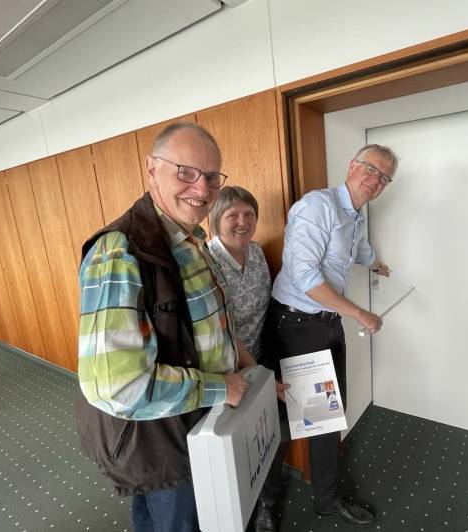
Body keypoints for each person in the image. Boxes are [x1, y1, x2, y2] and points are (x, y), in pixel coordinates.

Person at [75, 122, 257, 532]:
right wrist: (222, 387)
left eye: (212, 177)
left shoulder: (191, 239)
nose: (202, 189)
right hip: (157, 441)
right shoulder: (118, 251)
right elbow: (118, 387)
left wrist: (252, 372)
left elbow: (214, 327)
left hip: (194, 426)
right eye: (186, 172)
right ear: (151, 168)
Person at [254, 144, 397, 531]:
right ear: (351, 166)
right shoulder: (317, 207)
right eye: (371, 169)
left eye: (384, 177)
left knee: (327, 416)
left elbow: (358, 250)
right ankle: (266, 502)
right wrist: (359, 312)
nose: (376, 180)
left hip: (327, 323)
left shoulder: (356, 216)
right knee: (287, 419)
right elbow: (305, 277)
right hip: (296, 325)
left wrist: (376, 265)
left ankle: (327, 501)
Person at [207, 186, 271, 360]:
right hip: (227, 365)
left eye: (249, 214)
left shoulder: (256, 252)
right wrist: (254, 368)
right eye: (232, 215)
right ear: (216, 220)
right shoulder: (207, 261)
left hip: (261, 356)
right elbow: (219, 329)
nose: (243, 222)